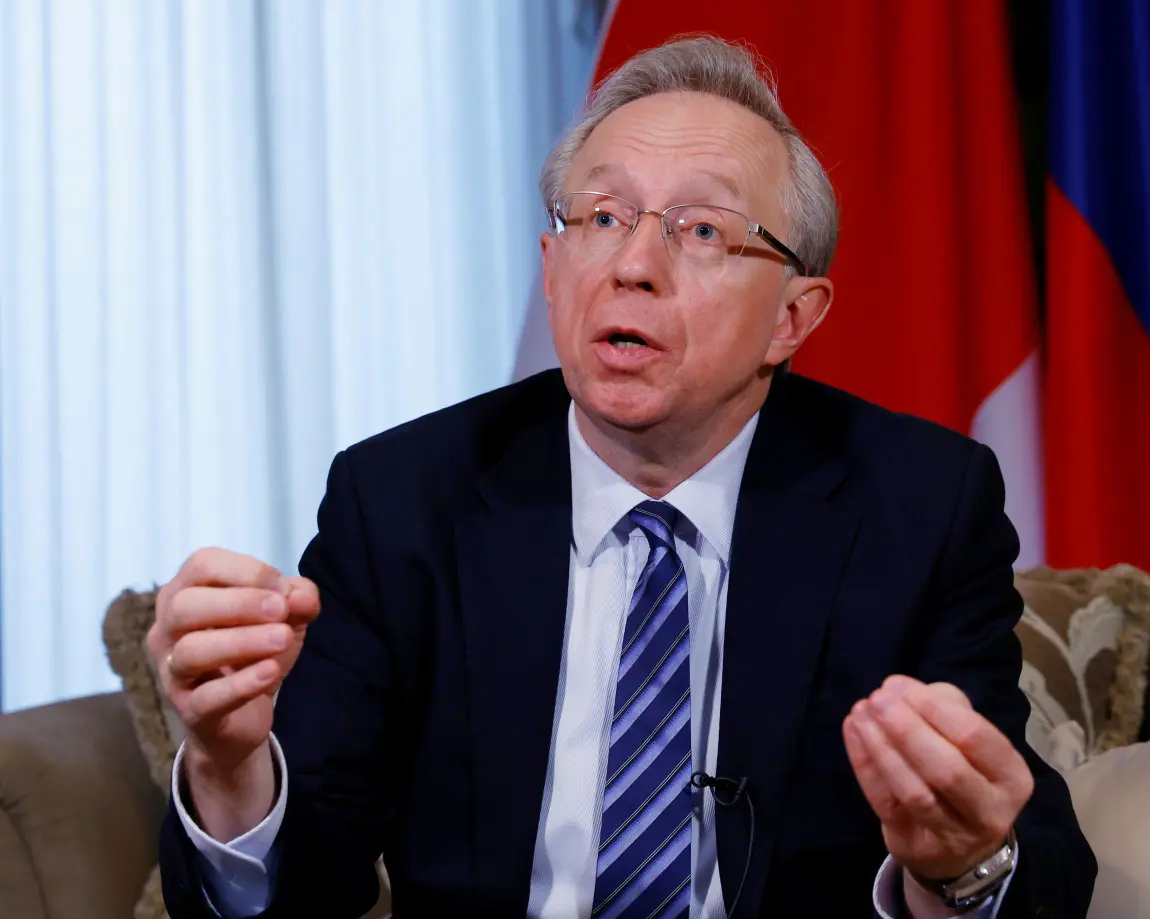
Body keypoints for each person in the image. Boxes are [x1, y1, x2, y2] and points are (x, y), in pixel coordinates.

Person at [152, 36, 1095, 919]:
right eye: (602, 218)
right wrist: (233, 766)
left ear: (793, 319)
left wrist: (962, 862)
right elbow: (309, 883)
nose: (633, 265)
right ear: (554, 269)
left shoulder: (919, 505)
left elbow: (1035, 863)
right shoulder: (402, 498)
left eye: (702, 230)